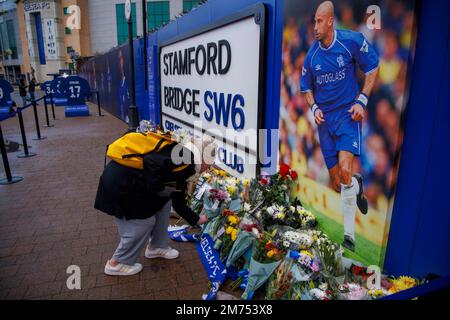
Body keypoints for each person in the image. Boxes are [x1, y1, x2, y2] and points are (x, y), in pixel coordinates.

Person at [300, 1, 379, 252]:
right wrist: (314, 108)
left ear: (331, 21)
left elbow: (373, 66)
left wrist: (362, 100)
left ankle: (349, 236)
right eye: (314, 21)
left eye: (320, 21)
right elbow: (306, 88)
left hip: (347, 116)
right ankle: (356, 184)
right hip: (325, 124)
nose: (315, 26)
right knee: (337, 182)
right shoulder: (311, 56)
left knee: (344, 172)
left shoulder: (351, 41)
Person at [94, 125, 213, 276]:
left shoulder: (187, 159)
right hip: (122, 185)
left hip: (131, 182)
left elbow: (176, 197)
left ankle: (157, 247)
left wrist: (196, 219)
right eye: (210, 161)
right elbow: (151, 162)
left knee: (164, 203)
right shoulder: (186, 157)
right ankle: (117, 263)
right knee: (142, 223)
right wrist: (156, 189)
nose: (209, 167)